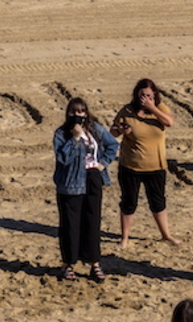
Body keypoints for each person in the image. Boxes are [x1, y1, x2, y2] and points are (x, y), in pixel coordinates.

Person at [53, 97, 119, 283]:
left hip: (92, 178)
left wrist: (102, 164)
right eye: (73, 112)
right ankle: (68, 264)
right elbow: (63, 158)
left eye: (81, 112)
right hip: (70, 183)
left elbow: (112, 145)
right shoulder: (61, 133)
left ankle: (94, 264)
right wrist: (75, 138)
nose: (77, 115)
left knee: (92, 222)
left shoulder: (95, 129)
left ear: (86, 113)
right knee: (70, 225)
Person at [111, 78, 180, 248]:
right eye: (142, 95)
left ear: (154, 95)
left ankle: (166, 235)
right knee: (129, 202)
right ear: (136, 95)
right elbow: (112, 131)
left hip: (155, 166)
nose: (145, 99)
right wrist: (121, 130)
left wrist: (152, 108)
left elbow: (169, 122)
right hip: (130, 165)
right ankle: (125, 237)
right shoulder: (127, 110)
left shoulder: (160, 108)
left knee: (158, 202)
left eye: (149, 95)